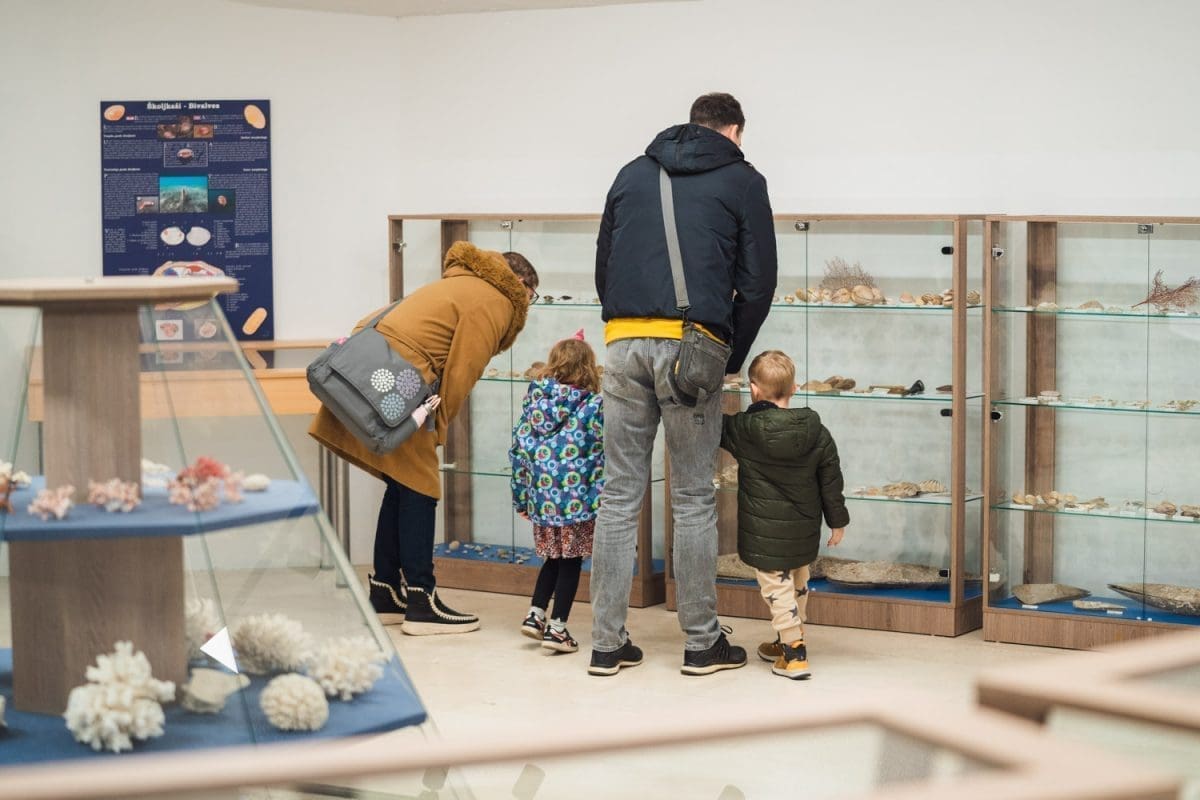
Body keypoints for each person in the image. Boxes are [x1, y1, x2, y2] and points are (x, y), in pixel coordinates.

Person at [590, 92, 778, 676]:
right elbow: (759, 283)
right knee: (694, 497)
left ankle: (606, 644)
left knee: (619, 495)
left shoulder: (631, 172)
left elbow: (603, 265)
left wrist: (627, 326)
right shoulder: (743, 180)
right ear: (735, 131)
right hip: (693, 346)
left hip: (622, 342)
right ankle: (701, 643)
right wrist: (729, 355)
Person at [310, 243, 539, 635]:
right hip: (407, 386)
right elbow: (464, 368)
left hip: (377, 376)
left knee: (402, 486)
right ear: (518, 283)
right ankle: (421, 601)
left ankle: (385, 592)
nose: (528, 306)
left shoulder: (458, 281)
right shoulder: (498, 299)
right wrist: (440, 424)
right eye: (531, 297)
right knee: (421, 489)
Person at [720, 350, 849, 679]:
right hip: (803, 529)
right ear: (794, 388)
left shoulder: (745, 429)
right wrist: (837, 522)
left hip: (765, 534)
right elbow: (831, 480)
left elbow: (714, 426)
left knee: (777, 590)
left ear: (754, 389)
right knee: (798, 583)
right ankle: (788, 639)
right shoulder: (817, 431)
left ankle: (794, 653)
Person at [509, 331, 604, 654]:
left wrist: (522, 499)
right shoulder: (594, 405)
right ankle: (558, 629)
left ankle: (535, 614)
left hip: (543, 500)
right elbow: (606, 451)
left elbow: (518, 453)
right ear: (588, 367)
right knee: (571, 562)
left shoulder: (534, 403)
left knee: (553, 556)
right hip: (578, 501)